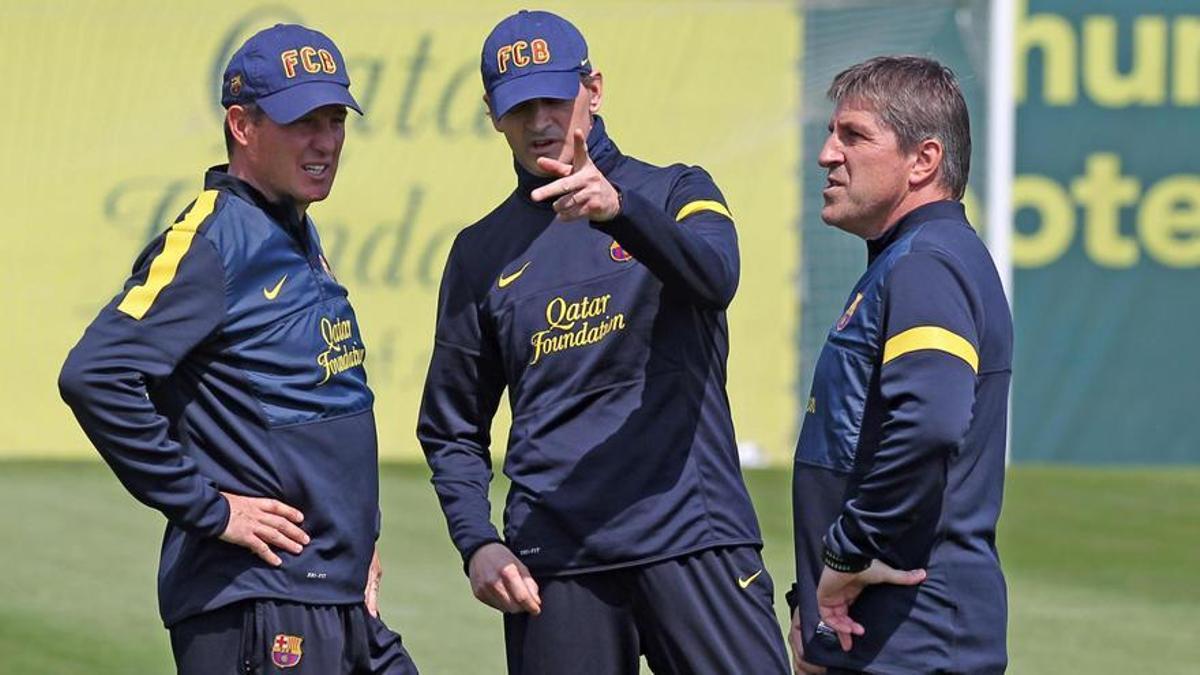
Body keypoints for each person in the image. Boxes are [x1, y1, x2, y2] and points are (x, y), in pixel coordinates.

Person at [417, 9, 790, 675]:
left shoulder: (676, 190)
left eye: (554, 98)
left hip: (693, 536)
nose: (539, 122)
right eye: (518, 106)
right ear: (491, 113)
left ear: (594, 87)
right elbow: (451, 427)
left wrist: (620, 209)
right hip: (557, 561)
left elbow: (716, 277)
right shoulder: (479, 253)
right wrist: (477, 541)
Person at [58, 23, 418, 675]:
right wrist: (211, 508)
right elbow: (94, 374)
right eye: (303, 120)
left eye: (335, 118)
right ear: (242, 125)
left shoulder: (293, 233)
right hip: (259, 603)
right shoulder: (212, 239)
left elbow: (320, 404)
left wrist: (359, 539)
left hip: (330, 593)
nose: (326, 141)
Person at [787, 55, 1012, 674]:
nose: (828, 154)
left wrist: (847, 553)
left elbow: (930, 423)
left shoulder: (927, 263)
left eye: (853, 135)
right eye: (831, 133)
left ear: (924, 160)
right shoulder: (906, 260)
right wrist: (810, 598)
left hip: (914, 637)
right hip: (875, 632)